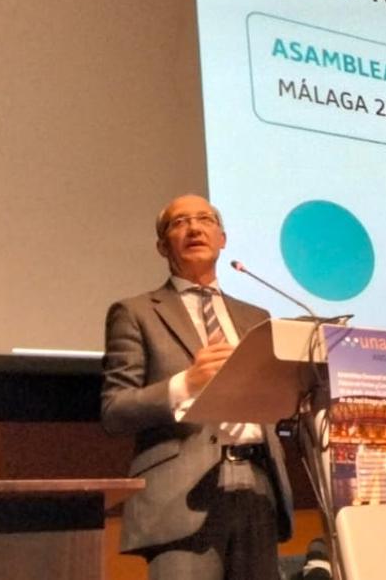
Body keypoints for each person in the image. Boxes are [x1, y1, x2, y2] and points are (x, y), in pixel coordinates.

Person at [101, 193, 294, 580]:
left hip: (259, 486)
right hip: (178, 499)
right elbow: (115, 410)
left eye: (205, 219)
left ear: (222, 238)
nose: (193, 228)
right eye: (179, 222)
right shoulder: (136, 312)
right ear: (161, 246)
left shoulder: (257, 317)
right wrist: (185, 383)